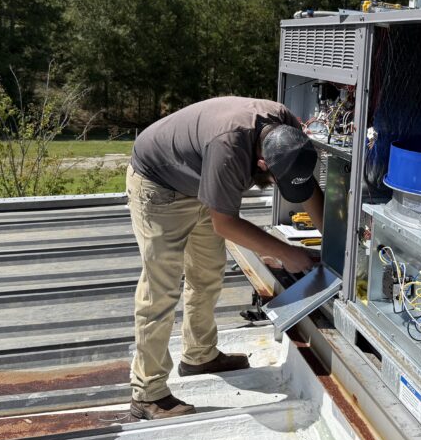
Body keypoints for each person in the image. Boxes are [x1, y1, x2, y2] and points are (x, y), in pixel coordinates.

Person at [126, 96, 324, 420]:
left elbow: (308, 186)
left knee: (206, 273)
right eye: (276, 181)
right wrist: (287, 254)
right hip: (159, 186)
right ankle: (147, 394)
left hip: (202, 181)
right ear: (262, 165)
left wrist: (332, 248)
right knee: (161, 288)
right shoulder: (230, 148)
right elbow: (226, 223)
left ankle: (199, 355)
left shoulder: (288, 134)